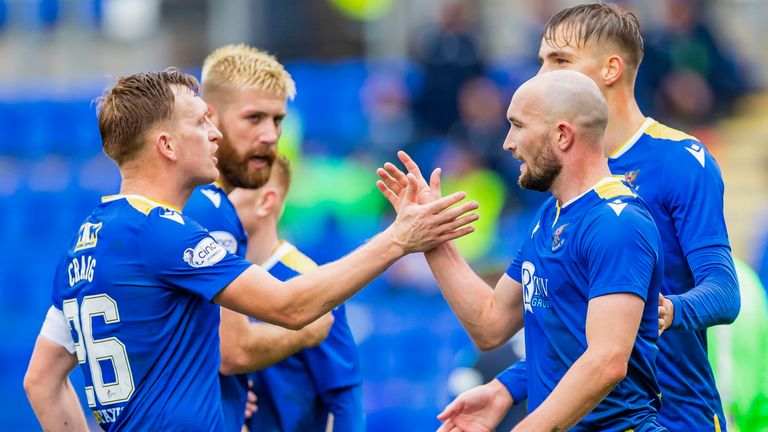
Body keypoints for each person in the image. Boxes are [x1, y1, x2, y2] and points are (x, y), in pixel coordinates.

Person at [22, 69, 478, 431]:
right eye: (200, 123)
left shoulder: (88, 236)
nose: (215, 134)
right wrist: (399, 239)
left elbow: (41, 380)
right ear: (166, 145)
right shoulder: (162, 232)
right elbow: (289, 305)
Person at [435, 3, 739, 431]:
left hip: (673, 416)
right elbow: (546, 325)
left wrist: (662, 311)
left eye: (560, 60)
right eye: (541, 60)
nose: (542, 75)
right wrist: (507, 388)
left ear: (611, 69)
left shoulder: (680, 159)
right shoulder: (560, 183)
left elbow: (725, 290)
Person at [379, 69, 665, 430]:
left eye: (517, 126)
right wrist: (430, 236)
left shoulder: (617, 222)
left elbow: (606, 360)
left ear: (562, 135)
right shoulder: (551, 214)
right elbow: (490, 324)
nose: (507, 143)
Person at [183, 44, 333, 431]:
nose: (270, 135)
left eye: (278, 120)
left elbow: (43, 378)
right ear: (209, 116)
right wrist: (310, 329)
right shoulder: (209, 208)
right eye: (254, 118)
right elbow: (235, 351)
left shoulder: (135, 211)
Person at [230, 156, 364, 431]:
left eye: (229, 189)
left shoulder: (311, 283)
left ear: (265, 202)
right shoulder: (205, 272)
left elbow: (344, 397)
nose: (215, 200)